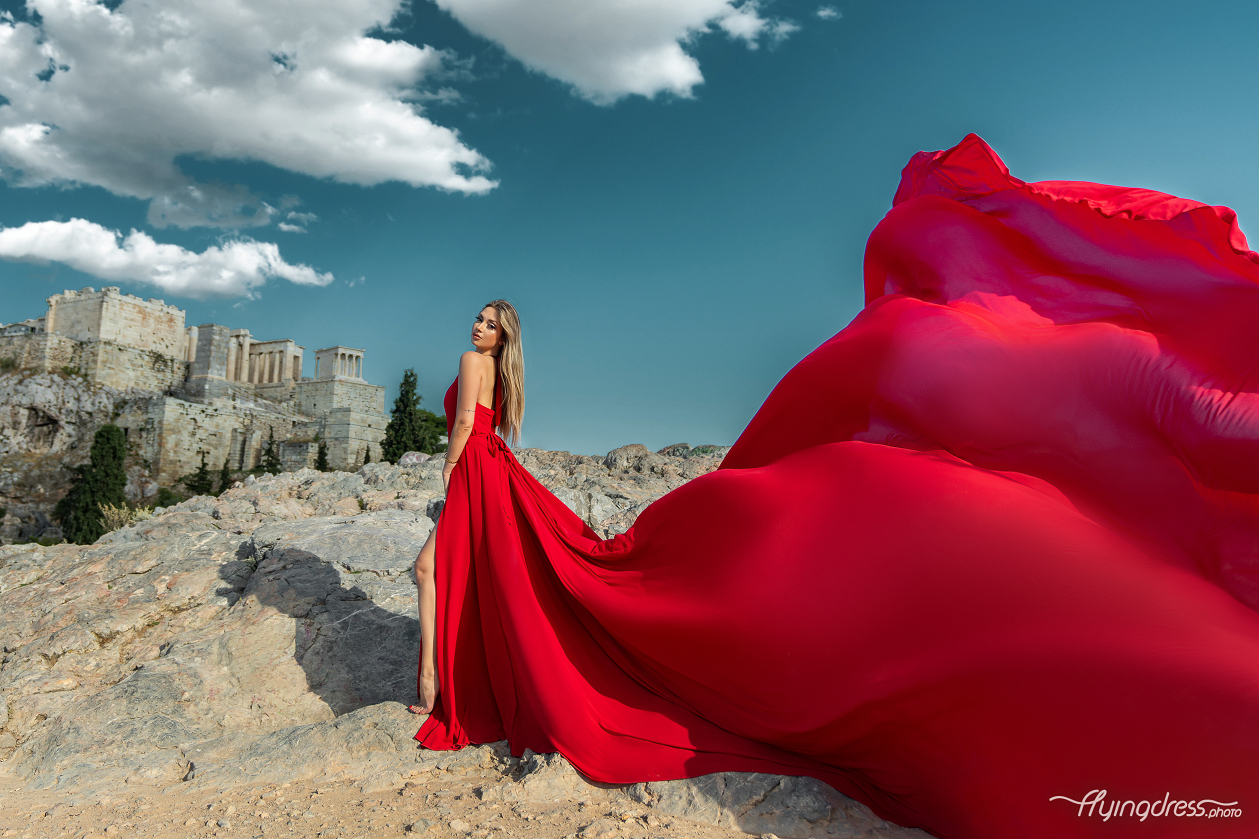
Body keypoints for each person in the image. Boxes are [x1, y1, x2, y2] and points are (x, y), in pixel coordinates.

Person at [407, 138, 1259, 839]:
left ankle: (434, 691)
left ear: (496, 334)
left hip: (477, 473)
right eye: (480, 318)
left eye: (489, 320)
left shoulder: (470, 363)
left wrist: (451, 490)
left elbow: (459, 438)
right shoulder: (502, 369)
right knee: (448, 570)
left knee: (435, 568)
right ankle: (439, 685)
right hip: (496, 469)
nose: (478, 327)